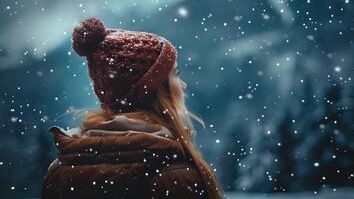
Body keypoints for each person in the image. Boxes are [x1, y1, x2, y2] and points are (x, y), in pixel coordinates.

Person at [42, 18, 224, 199]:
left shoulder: (60, 171)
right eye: (176, 75)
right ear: (153, 91)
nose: (183, 85)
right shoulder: (177, 178)